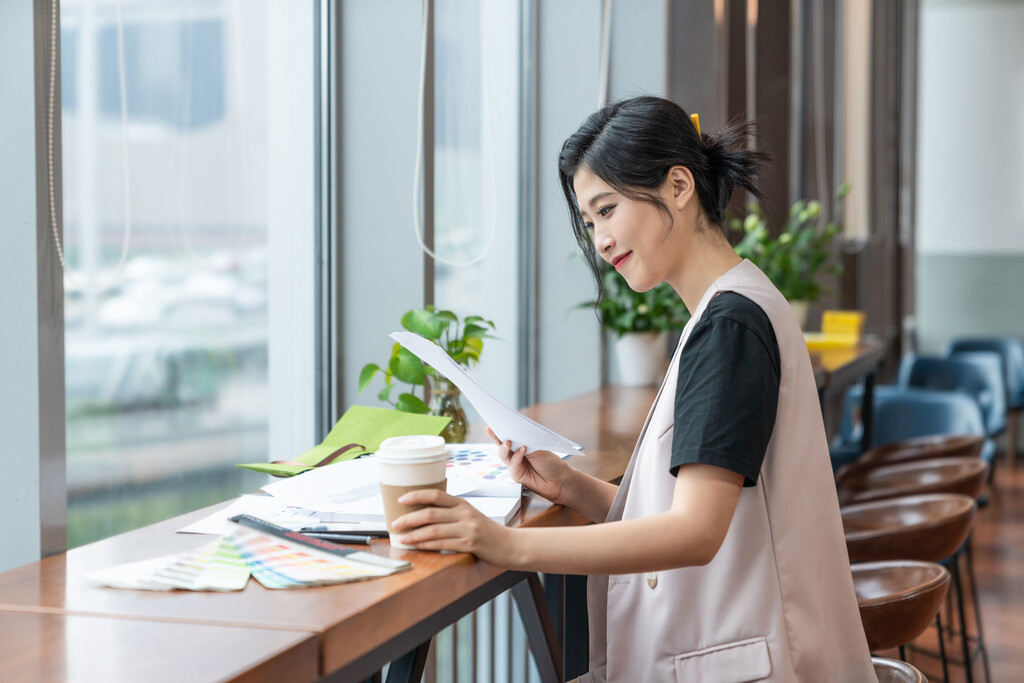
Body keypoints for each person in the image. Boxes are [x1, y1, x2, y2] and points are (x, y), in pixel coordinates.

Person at [392, 96, 875, 682]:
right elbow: (694, 510)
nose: (599, 239)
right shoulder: (732, 308)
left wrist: (503, 544)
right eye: (590, 222)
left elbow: (695, 533)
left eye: (608, 208)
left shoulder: (729, 327)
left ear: (678, 185)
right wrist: (576, 488)